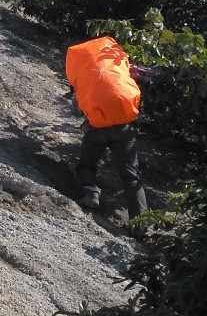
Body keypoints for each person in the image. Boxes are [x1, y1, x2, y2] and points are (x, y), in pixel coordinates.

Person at [63, 35, 150, 219]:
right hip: (124, 128)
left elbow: (78, 111)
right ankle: (141, 222)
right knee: (131, 176)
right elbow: (148, 74)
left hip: (97, 129)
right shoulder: (119, 67)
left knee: (87, 165)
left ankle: (91, 193)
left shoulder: (85, 77)